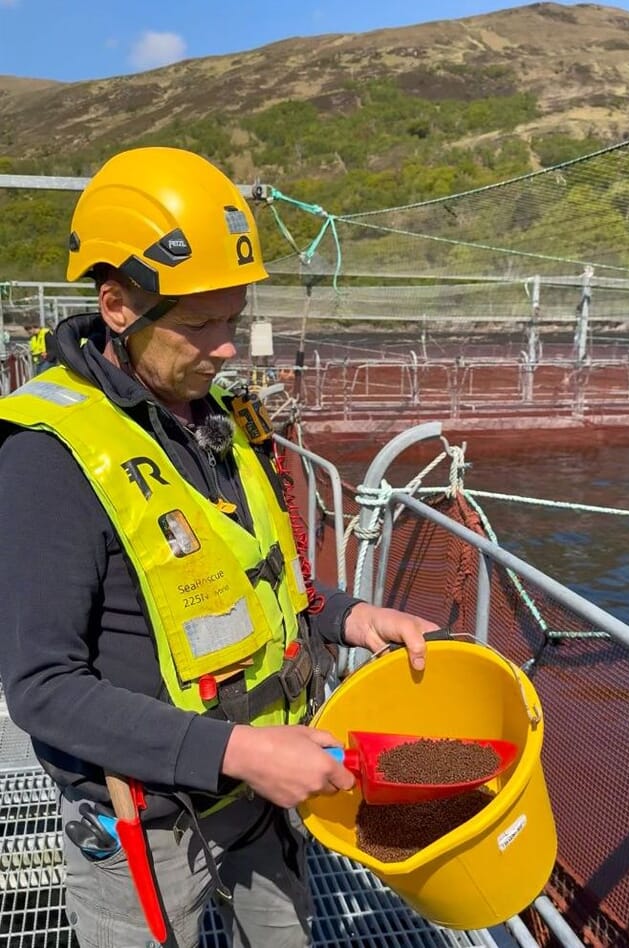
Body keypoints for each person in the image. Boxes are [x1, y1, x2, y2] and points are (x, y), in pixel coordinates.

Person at [0, 146, 437, 948]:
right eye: (200, 324)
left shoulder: (218, 422)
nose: (228, 346)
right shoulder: (47, 457)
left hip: (264, 796)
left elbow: (255, 578)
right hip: (148, 819)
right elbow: (42, 688)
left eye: (232, 318)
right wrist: (237, 750)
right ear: (118, 306)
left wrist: (350, 616)